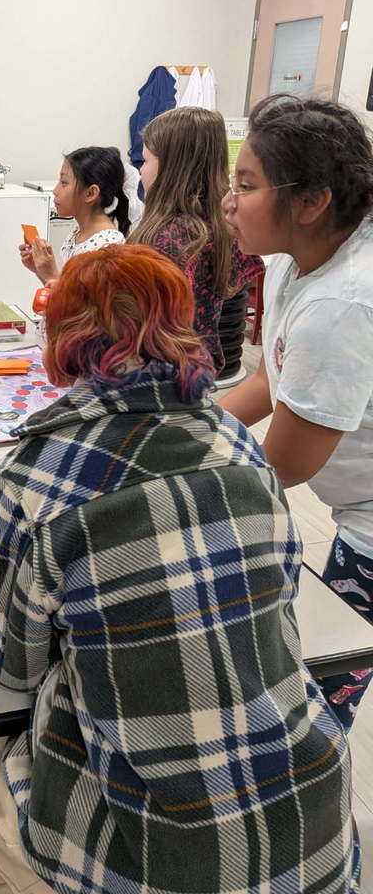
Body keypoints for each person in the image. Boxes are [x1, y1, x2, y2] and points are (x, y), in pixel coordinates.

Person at [0, 245, 359, 894]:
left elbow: (9, 664)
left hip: (157, 855)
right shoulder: (239, 443)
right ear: (181, 329)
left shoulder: (38, 471)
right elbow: (280, 601)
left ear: (62, 339)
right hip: (313, 817)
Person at [220, 94, 373, 728]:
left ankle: (318, 816)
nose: (229, 201)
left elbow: (284, 464)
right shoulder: (292, 263)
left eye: (247, 185)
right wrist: (183, 430)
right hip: (354, 504)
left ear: (311, 204)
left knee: (314, 699)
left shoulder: (343, 302)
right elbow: (268, 377)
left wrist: (179, 481)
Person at [128, 106, 263, 375]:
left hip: (156, 375)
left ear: (171, 168)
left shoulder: (169, 238)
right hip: (197, 371)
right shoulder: (220, 229)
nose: (140, 172)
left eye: (145, 161)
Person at [19, 146, 128, 285]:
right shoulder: (78, 232)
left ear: (90, 193)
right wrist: (41, 271)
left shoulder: (108, 247)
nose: (55, 191)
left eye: (64, 183)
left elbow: (85, 305)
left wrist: (50, 275)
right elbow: (68, 287)